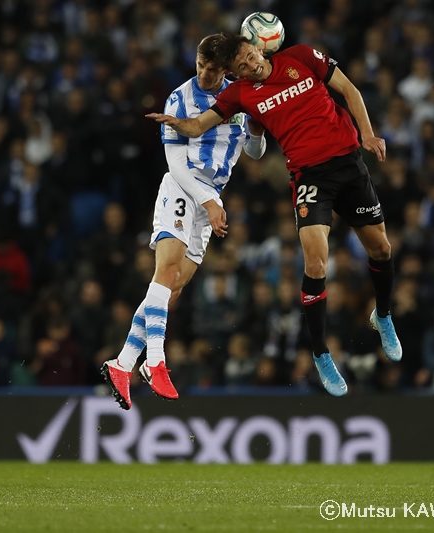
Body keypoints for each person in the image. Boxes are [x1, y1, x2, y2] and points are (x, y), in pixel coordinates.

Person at [147, 34, 402, 397]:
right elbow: (200, 125)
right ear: (235, 74)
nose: (250, 65)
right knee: (316, 264)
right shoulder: (240, 96)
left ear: (259, 48)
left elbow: (349, 89)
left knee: (381, 248)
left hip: (348, 163)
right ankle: (320, 352)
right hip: (309, 177)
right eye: (241, 67)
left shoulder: (300, 57)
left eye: (250, 56)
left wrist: (369, 134)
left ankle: (385, 315)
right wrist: (173, 122)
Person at [101, 34, 266, 410]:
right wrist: (208, 202)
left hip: (211, 198)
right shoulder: (179, 99)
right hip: (183, 186)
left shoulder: (240, 98)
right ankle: (156, 361)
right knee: (166, 272)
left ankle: (123, 363)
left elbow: (255, 153)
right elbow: (175, 163)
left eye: (212, 69)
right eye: (200, 66)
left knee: (174, 289)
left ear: (225, 69)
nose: (204, 74)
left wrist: (257, 125)